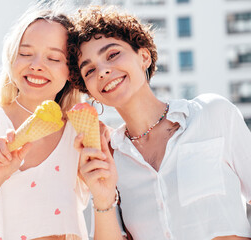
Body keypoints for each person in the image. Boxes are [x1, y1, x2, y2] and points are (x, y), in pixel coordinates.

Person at [67, 5, 251, 240]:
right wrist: (102, 198)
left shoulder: (212, 114)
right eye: (90, 70)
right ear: (91, 92)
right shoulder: (109, 157)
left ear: (144, 57)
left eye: (112, 55)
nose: (102, 71)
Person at [0, 7, 90, 240]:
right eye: (25, 53)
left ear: (71, 70)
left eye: (53, 58)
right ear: (11, 57)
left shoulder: (79, 133)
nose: (36, 65)